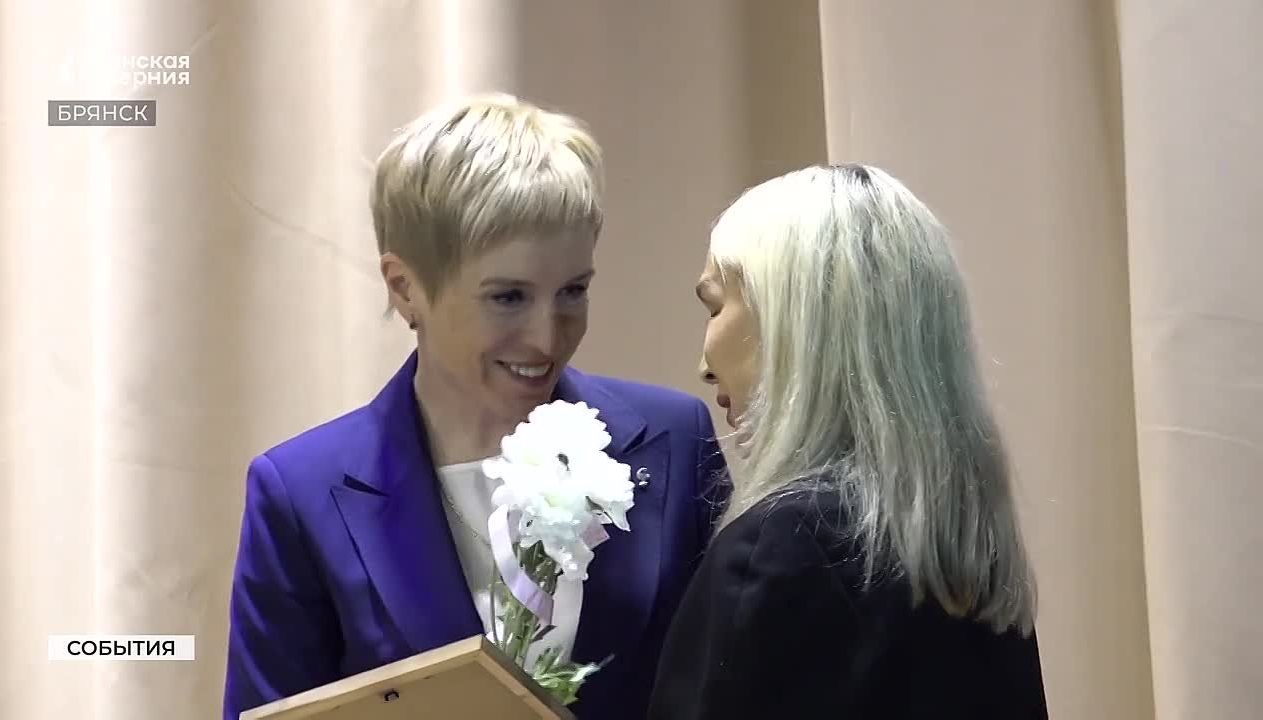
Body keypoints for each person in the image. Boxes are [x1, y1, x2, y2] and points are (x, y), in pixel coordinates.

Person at [222, 94, 727, 720]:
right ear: (405, 287)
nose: (547, 337)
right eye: (509, 297)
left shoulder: (674, 439)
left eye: (572, 291)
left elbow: (735, 690)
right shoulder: (301, 494)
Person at [647, 164, 1049, 719]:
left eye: (715, 306)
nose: (705, 365)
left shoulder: (785, 545)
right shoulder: (967, 549)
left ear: (794, 322)